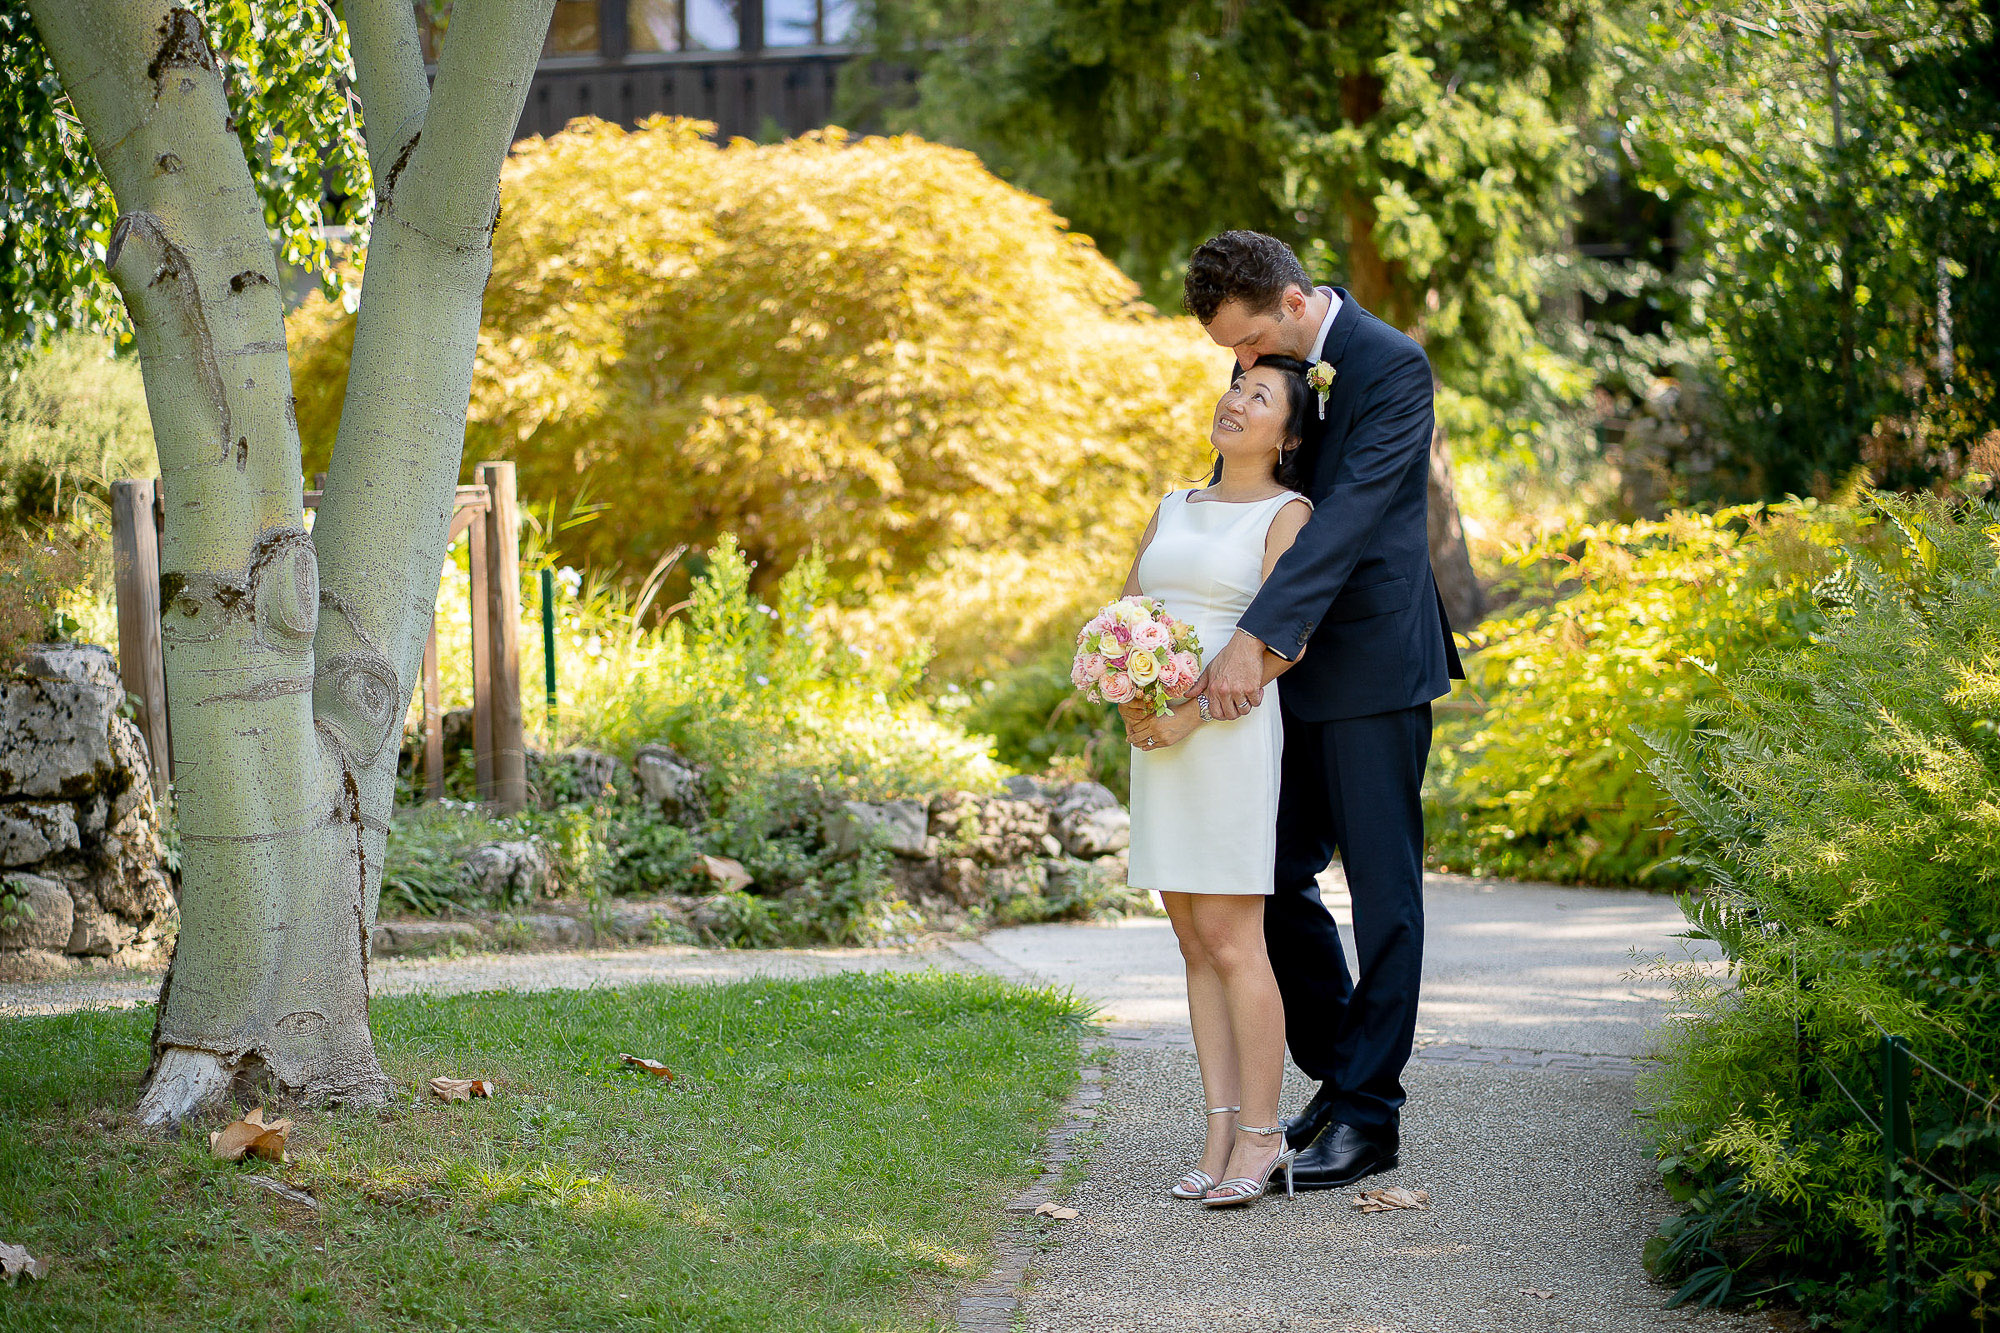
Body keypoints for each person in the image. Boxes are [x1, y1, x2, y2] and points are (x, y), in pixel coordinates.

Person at [1127, 230, 1463, 1191]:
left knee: (1386, 899)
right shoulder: (1278, 363)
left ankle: (1370, 1116)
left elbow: (1349, 514)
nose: (1237, 367)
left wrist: (1252, 640)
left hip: (1369, 666)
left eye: (1242, 344)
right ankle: (1340, 1069)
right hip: (1281, 678)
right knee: (1266, 876)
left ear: (1288, 301)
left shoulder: (1393, 364)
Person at [1120, 355, 1314, 1208]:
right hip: (1156, 738)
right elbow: (1123, 616)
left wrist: (1189, 716)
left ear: (1290, 434)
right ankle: (1217, 1129)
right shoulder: (1171, 505)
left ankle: (1265, 1136)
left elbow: (1284, 641)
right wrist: (1130, 698)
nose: (1236, 400)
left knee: (1236, 942)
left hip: (1227, 736)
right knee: (1194, 944)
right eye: (1236, 387)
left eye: (1259, 396)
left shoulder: (1288, 513)